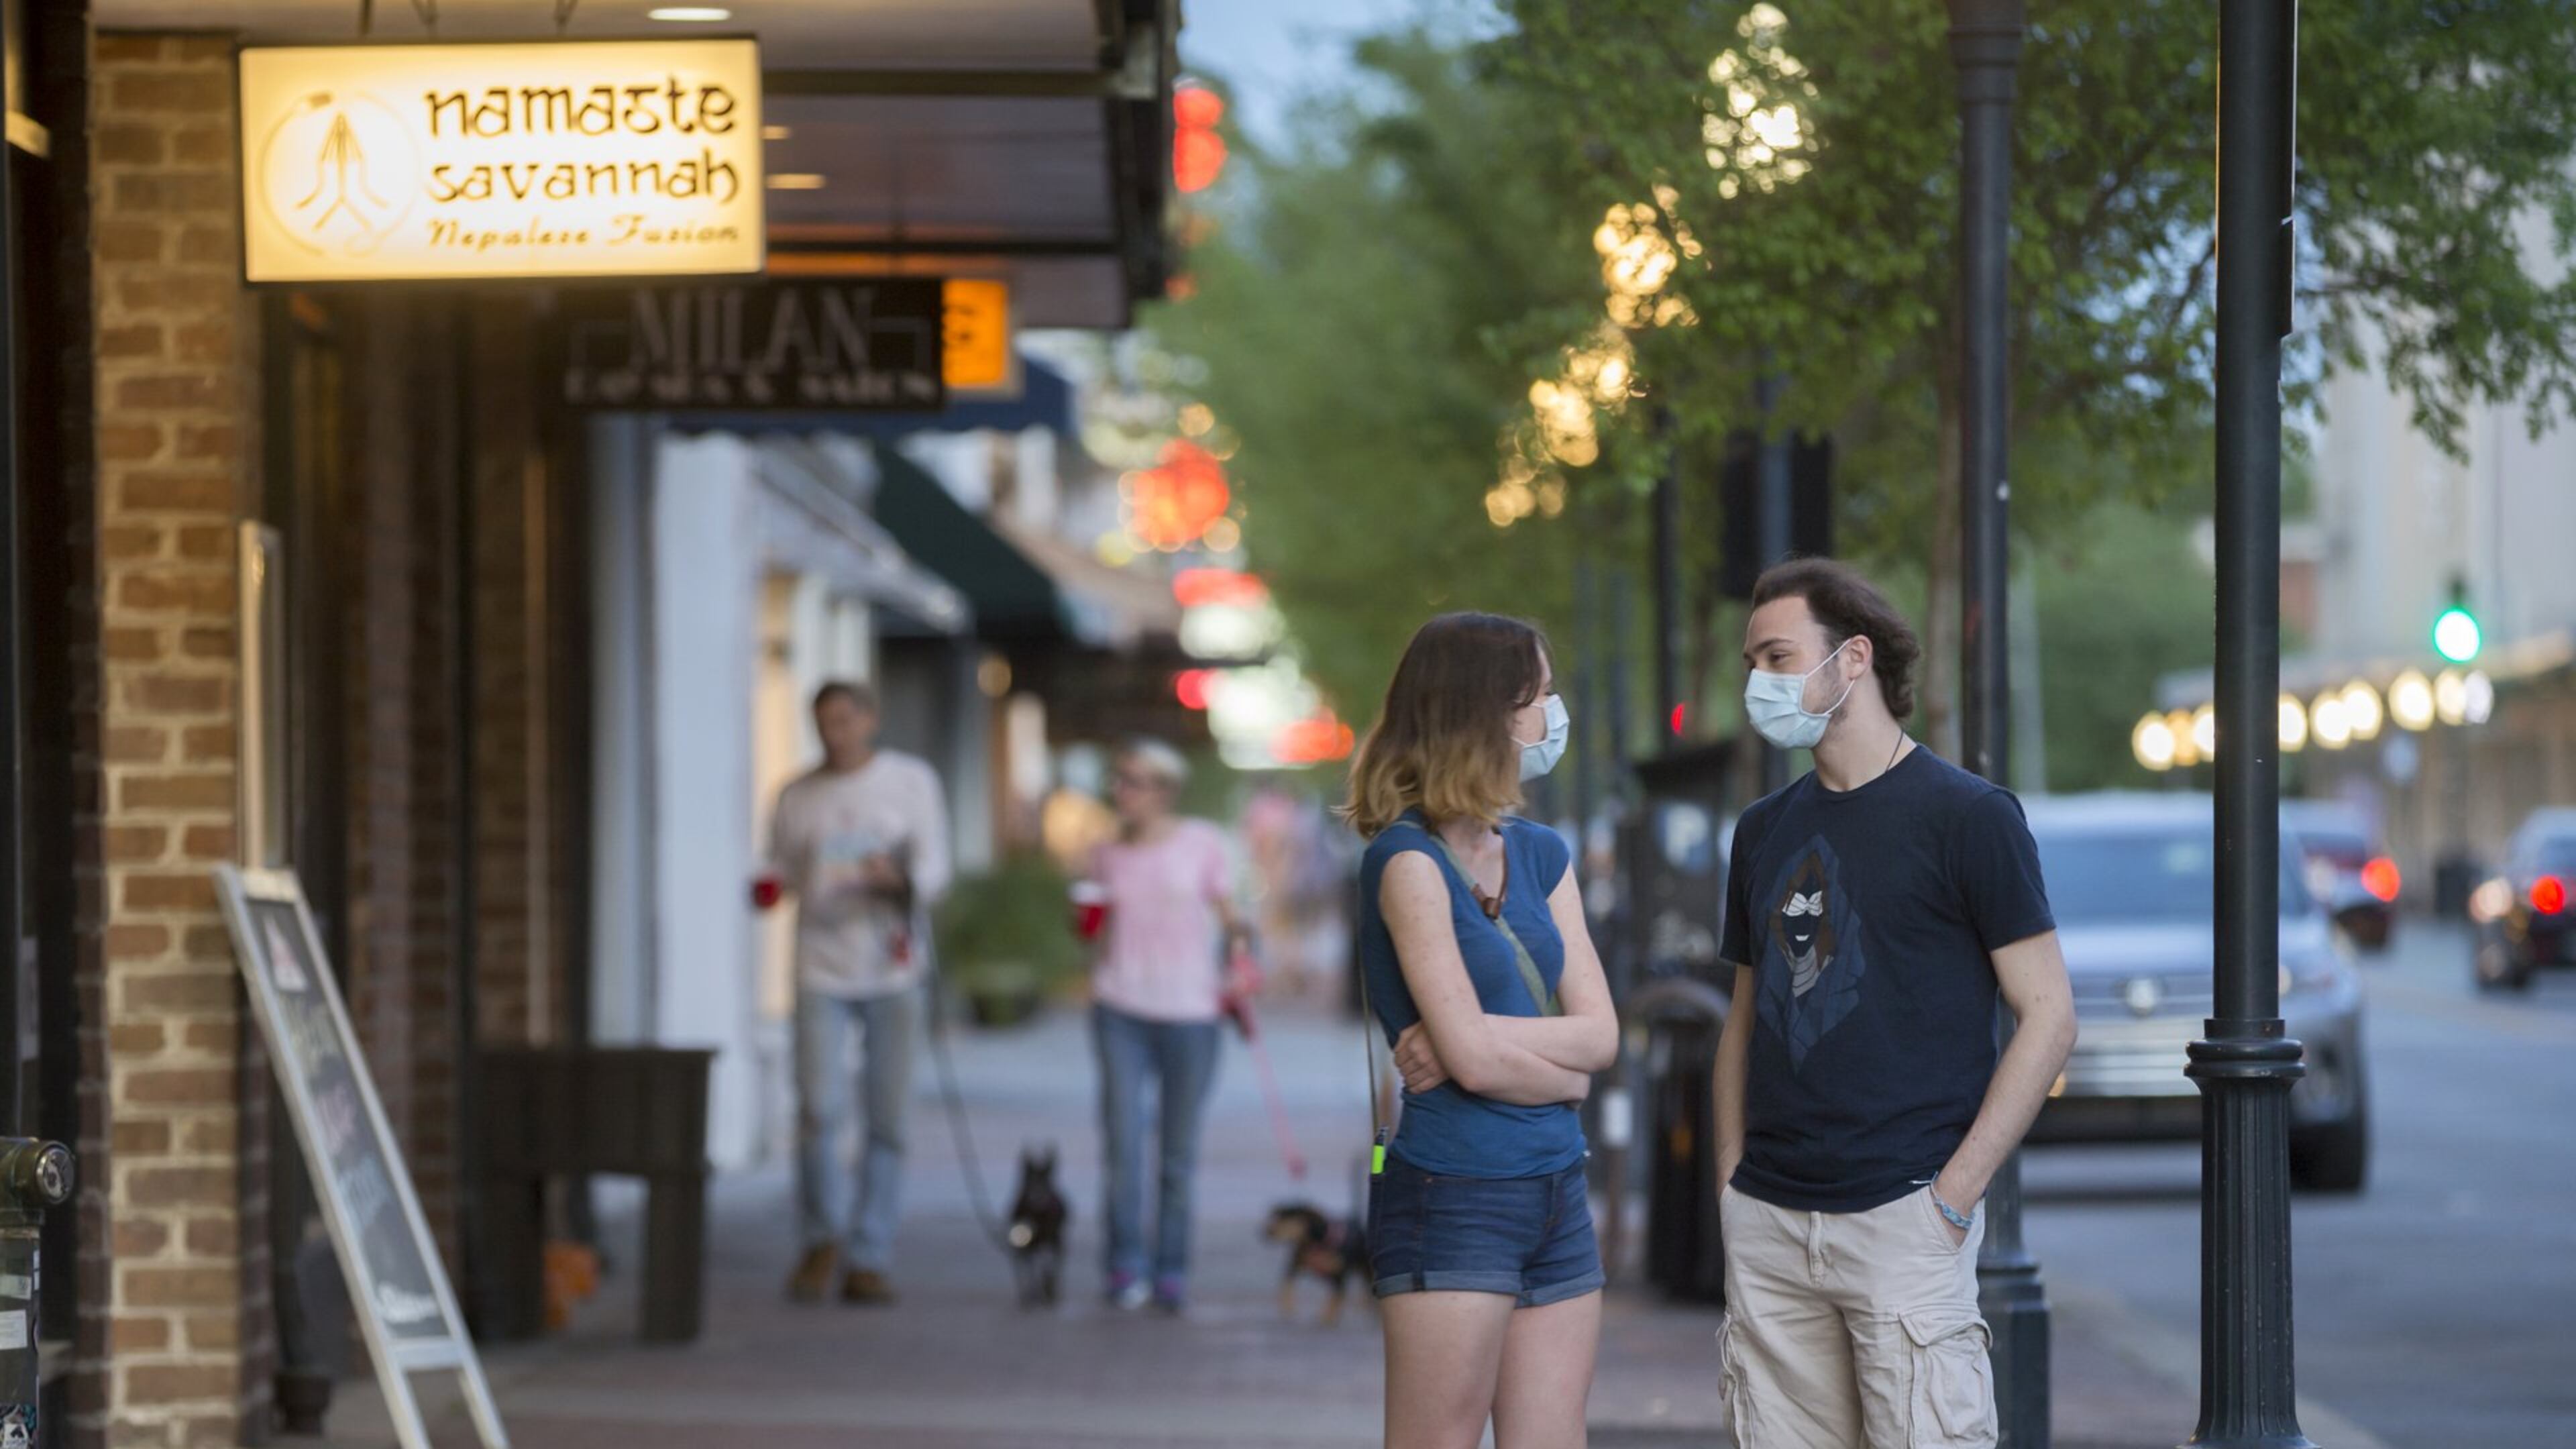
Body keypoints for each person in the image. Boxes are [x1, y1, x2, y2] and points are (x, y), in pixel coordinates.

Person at [1712, 559, 2077, 1448]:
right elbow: (1744, 1018)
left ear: (1853, 659)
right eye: (1752, 662)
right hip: (1770, 1224)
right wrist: (1729, 1181)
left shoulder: (1970, 817)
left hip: (1904, 1220)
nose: (1759, 682)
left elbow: (2050, 1015)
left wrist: (1953, 1198)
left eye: (1778, 655)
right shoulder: (1763, 829)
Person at [1347, 612, 1619, 1449]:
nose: (1553, 715)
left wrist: (1497, 1047)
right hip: (1453, 1194)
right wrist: (1552, 1062)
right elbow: (1467, 1057)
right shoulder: (1406, 862)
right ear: (1488, 714)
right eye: (1541, 696)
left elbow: (1601, 1038)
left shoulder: (1541, 853)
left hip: (1556, 1189)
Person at [758, 681, 953, 1306]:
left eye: (844, 720)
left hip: (892, 964)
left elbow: (936, 869)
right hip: (821, 964)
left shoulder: (909, 782)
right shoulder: (796, 795)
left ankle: (870, 1250)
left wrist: (898, 878)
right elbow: (778, 869)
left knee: (887, 1116)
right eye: (823, 723)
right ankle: (821, 1237)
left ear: (870, 720)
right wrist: (762, 888)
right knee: (818, 1108)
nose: (834, 734)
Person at [1081, 737, 1256, 1313]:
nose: (1120, 791)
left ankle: (1171, 1270)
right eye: (1117, 779)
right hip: (1119, 1006)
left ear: (1164, 790)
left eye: (1132, 780)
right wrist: (1081, 919)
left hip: (1192, 1012)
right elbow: (1090, 927)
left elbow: (1233, 919)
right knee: (1123, 1142)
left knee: (1176, 1152)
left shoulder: (1203, 843)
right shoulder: (1104, 849)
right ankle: (1123, 1263)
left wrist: (1238, 961)